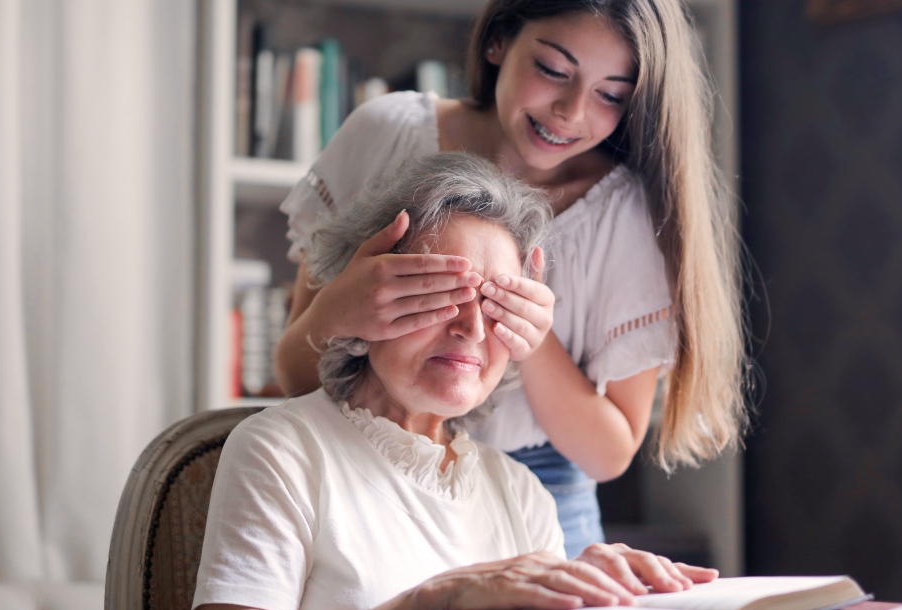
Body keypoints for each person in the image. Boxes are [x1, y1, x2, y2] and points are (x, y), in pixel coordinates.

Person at [274, 0, 746, 558]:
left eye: (610, 95)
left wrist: (531, 338)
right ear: (498, 41)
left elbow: (609, 453)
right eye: (552, 69)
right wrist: (338, 311)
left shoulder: (626, 217)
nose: (570, 112)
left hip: (543, 500)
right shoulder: (388, 134)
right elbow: (295, 379)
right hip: (369, 474)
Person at [192, 153, 717, 610]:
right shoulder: (281, 452)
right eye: (440, 294)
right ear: (370, 296)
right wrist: (428, 604)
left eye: (497, 305)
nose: (473, 327)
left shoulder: (521, 494)